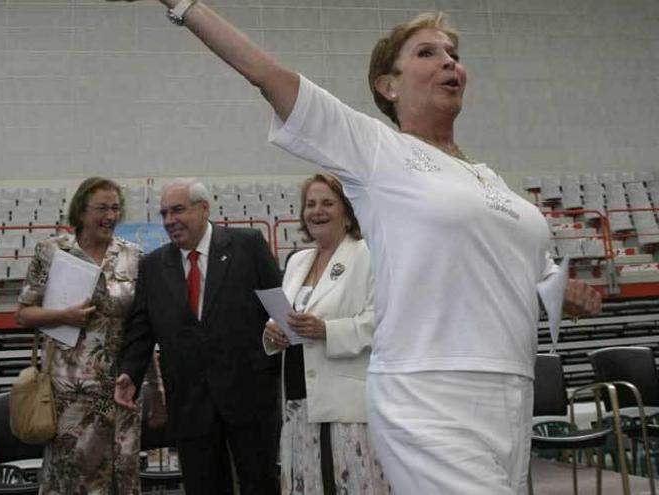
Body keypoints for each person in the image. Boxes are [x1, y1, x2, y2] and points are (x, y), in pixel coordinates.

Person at [104, 4, 602, 494]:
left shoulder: (490, 181)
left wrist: (559, 292)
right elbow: (269, 76)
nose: (450, 60)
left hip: (512, 387)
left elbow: (522, 272)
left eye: (453, 52)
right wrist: (184, 5)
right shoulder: (378, 152)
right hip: (428, 393)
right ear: (389, 84)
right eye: (428, 53)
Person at [115, 178, 283, 495]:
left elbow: (280, 313)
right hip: (190, 404)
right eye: (164, 213)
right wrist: (129, 373)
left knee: (260, 484)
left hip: (250, 398)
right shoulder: (152, 266)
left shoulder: (248, 245)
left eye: (178, 210)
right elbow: (141, 329)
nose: (169, 221)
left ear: (204, 208)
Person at [16, 177, 143, 495]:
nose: (110, 216)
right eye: (102, 208)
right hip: (69, 393)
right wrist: (64, 316)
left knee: (121, 474)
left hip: (121, 391)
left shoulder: (134, 256)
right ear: (81, 211)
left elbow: (142, 326)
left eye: (115, 208)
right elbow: (23, 312)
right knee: (73, 479)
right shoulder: (51, 252)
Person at [262, 174, 388, 495]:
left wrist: (327, 331)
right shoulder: (298, 261)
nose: (317, 211)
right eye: (311, 204)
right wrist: (273, 333)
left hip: (347, 408)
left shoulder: (368, 255)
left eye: (328, 203)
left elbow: (383, 323)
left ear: (347, 212)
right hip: (297, 404)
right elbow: (283, 315)